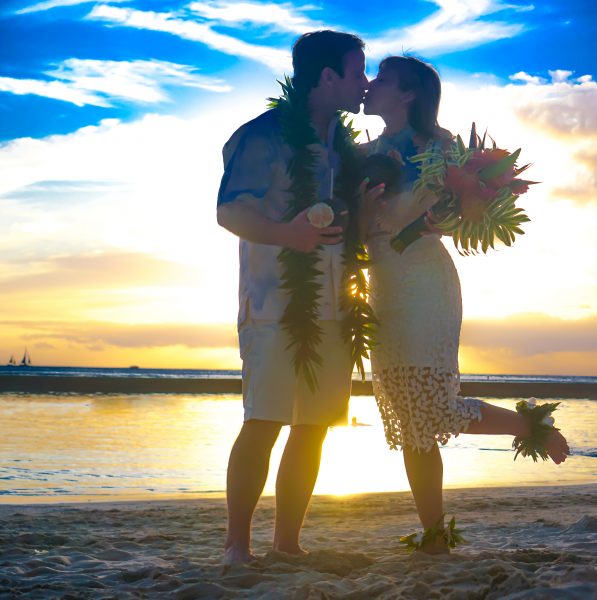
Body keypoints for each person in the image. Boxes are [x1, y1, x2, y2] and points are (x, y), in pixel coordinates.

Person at [360, 56, 570, 554]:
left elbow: (469, 217)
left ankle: (528, 424)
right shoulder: (362, 153)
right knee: (411, 418)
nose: (370, 85)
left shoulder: (442, 149)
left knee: (430, 406)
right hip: (379, 286)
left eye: (382, 79)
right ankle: (434, 533)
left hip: (424, 287)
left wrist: (443, 222)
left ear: (409, 94)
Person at [216, 30, 378, 565]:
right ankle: (237, 544)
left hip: (336, 305)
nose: (366, 82)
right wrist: (289, 234)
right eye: (358, 71)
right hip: (273, 302)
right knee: (263, 420)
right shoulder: (262, 136)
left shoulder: (345, 149)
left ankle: (287, 543)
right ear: (327, 76)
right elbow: (230, 211)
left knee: (315, 427)